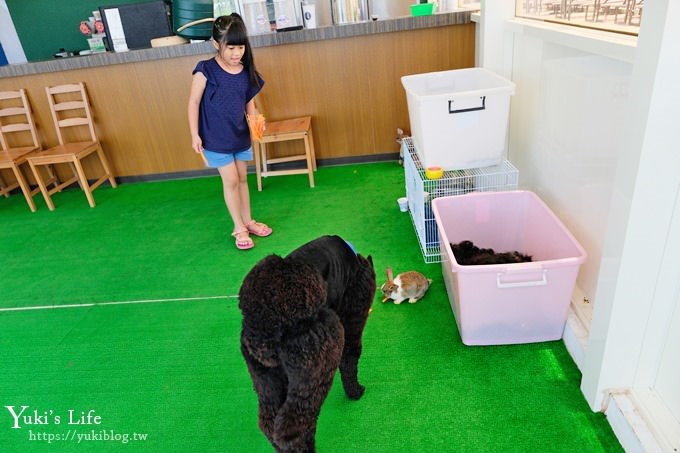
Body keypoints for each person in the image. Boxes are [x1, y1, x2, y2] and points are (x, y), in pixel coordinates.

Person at [187, 14, 272, 250]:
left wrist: (256, 124)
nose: (237, 53)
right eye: (231, 47)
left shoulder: (245, 71)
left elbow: (249, 104)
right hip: (215, 138)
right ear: (216, 44)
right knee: (232, 180)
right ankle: (239, 227)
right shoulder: (205, 70)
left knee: (243, 178)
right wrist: (194, 134)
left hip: (239, 135)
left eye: (241, 47)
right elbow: (193, 103)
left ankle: (248, 220)